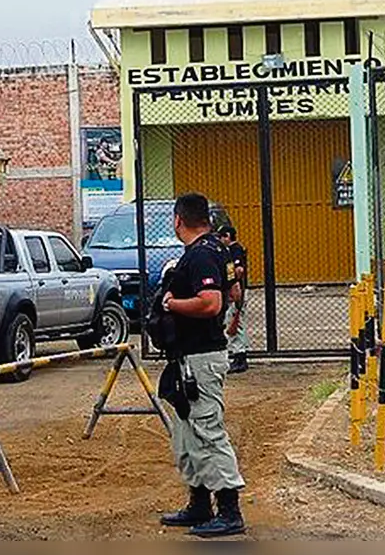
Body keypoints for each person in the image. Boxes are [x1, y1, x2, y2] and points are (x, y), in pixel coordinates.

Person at [158, 193, 246, 538]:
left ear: (178, 219)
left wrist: (172, 303)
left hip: (201, 358)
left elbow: (212, 303)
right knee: (186, 434)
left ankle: (229, 510)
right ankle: (199, 503)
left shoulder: (202, 254)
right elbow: (235, 292)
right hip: (188, 357)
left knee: (207, 431)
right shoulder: (216, 251)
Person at [218, 226, 250, 375]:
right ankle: (237, 355)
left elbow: (239, 270)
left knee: (236, 322)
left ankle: (240, 357)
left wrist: (233, 284)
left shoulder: (234, 249)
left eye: (222, 236)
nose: (220, 240)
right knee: (232, 321)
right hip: (234, 290)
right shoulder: (230, 250)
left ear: (228, 236)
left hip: (237, 290)